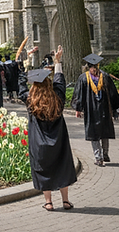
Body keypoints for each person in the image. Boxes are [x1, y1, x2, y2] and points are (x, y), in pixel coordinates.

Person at [21, 47, 76, 211]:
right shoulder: (57, 99)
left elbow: (21, 85)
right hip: (58, 142)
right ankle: (65, 201)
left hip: (39, 144)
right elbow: (60, 82)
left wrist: (28, 60)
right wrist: (57, 62)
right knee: (62, 167)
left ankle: (48, 202)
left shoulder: (30, 101)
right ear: (49, 83)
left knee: (43, 170)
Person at [71, 53, 119, 167]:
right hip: (91, 109)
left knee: (104, 132)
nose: (94, 69)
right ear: (89, 67)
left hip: (104, 109)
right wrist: (78, 109)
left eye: (95, 67)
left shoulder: (105, 77)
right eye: (92, 67)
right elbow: (79, 94)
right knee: (94, 134)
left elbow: (113, 93)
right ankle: (98, 157)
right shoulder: (84, 78)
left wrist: (115, 108)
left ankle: (105, 153)